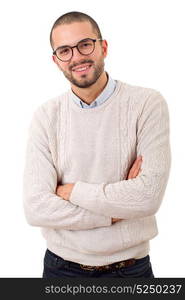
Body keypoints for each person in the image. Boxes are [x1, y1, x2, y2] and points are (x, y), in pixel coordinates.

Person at [23, 11, 171, 278]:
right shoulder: (46, 117)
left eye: (85, 45)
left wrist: (71, 191)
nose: (77, 57)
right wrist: (112, 214)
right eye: (65, 51)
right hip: (61, 270)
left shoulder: (147, 104)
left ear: (103, 47)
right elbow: (36, 207)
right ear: (56, 61)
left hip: (130, 271)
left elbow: (147, 197)